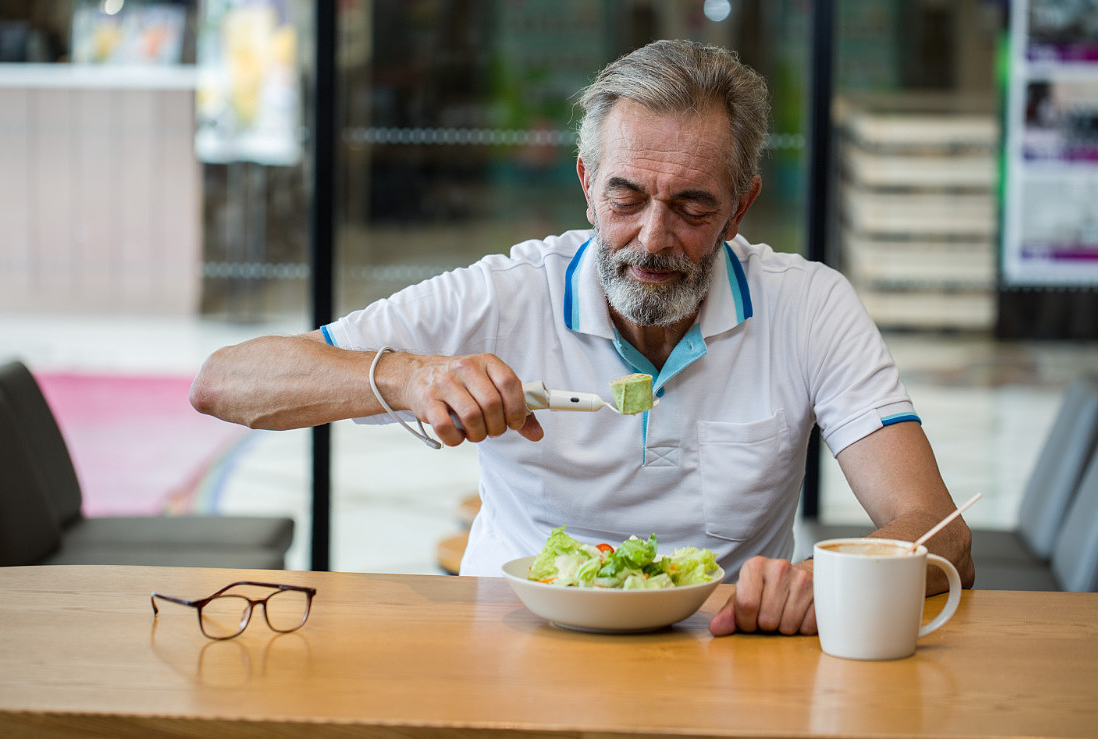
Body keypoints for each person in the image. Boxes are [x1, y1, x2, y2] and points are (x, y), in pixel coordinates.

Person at [191, 39, 975, 636]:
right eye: (625, 197)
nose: (652, 238)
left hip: (725, 645)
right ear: (584, 186)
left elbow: (941, 533)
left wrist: (826, 582)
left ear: (740, 208)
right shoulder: (502, 293)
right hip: (512, 641)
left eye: (693, 207)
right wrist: (407, 378)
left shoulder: (809, 306)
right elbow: (225, 381)